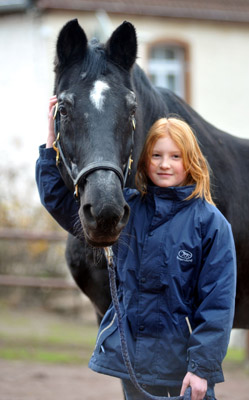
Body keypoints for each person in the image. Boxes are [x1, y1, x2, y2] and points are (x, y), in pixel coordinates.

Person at [36, 97, 236, 400]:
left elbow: (218, 307)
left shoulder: (211, 224)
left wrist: (201, 369)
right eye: (156, 155)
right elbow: (59, 201)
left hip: (183, 373)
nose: (164, 164)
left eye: (175, 156)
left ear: (190, 161)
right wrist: (51, 143)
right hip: (134, 368)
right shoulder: (128, 210)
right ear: (144, 160)